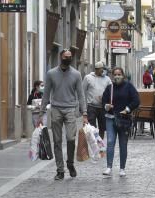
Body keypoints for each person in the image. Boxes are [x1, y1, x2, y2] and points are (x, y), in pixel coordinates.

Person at [41, 49, 88, 180]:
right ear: (60, 57)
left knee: (71, 138)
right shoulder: (51, 74)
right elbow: (46, 94)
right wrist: (41, 112)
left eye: (70, 57)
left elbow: (81, 95)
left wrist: (84, 113)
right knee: (57, 141)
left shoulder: (76, 74)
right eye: (65, 56)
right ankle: (60, 169)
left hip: (70, 110)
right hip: (56, 109)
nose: (68, 58)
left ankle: (70, 163)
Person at [101, 67, 140, 177]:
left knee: (123, 144)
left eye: (119, 74)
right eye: (115, 74)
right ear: (112, 76)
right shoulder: (109, 88)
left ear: (123, 75)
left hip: (123, 119)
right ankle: (109, 167)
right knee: (110, 142)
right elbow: (104, 101)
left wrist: (127, 109)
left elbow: (136, 100)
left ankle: (122, 168)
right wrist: (106, 106)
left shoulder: (129, 87)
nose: (117, 76)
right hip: (111, 117)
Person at [83, 61, 111, 138]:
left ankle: (100, 144)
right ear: (97, 69)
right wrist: (83, 109)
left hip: (103, 107)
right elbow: (82, 91)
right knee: (92, 127)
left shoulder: (107, 79)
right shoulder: (88, 78)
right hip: (91, 106)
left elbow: (111, 91)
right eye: (102, 69)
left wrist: (106, 98)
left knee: (102, 127)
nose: (104, 71)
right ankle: (93, 143)